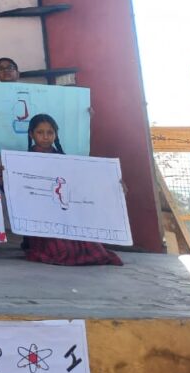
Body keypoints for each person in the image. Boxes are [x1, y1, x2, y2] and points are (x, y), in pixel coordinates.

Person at [18, 114, 123, 267]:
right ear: (31, 134)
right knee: (62, 251)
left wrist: (112, 184)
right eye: (40, 132)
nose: (45, 137)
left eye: (50, 132)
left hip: (67, 215)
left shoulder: (66, 161)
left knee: (94, 249)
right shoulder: (21, 160)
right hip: (41, 218)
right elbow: (17, 191)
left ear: (56, 134)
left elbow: (82, 185)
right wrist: (4, 176)